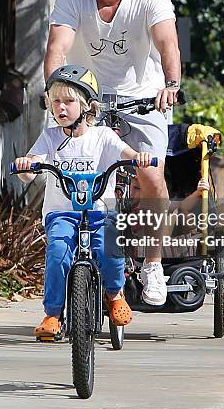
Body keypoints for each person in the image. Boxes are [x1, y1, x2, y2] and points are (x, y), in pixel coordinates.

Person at [44, 0, 181, 306]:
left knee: (151, 174)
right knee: (72, 175)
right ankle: (74, 257)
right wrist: (56, 91)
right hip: (88, 99)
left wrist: (171, 83)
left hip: (143, 98)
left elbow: (167, 40)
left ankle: (153, 264)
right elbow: (58, 47)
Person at [14, 65, 154, 338]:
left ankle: (114, 295)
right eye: (55, 101)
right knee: (58, 253)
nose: (61, 108)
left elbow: (126, 152)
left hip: (100, 211)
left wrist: (139, 157)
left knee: (109, 250)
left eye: (68, 101)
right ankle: (53, 314)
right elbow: (30, 171)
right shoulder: (50, 138)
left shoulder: (102, 137)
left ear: (87, 106)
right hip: (62, 213)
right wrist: (26, 165)